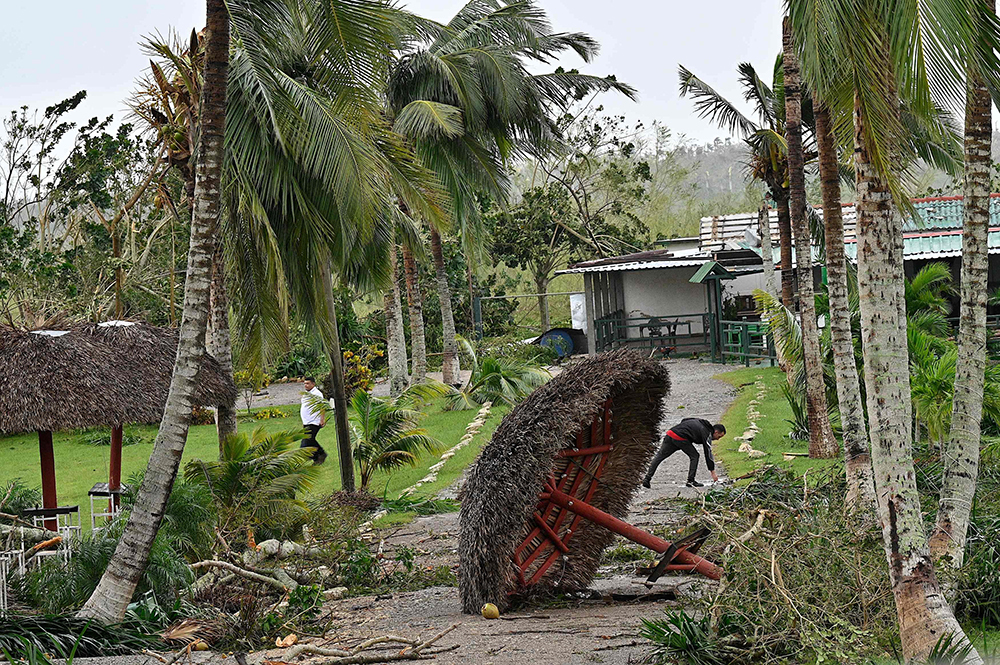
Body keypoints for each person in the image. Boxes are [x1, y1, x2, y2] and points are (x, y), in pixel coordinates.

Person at [642, 418, 725, 488]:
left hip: (671, 433)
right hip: (680, 437)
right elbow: (708, 452)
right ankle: (691, 481)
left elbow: (684, 420)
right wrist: (713, 472)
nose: (718, 439)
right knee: (695, 456)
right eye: (719, 437)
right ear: (716, 432)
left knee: (660, 456)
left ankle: (647, 479)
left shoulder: (700, 422)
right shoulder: (706, 433)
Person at [300, 376, 328, 464]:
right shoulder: (305, 394)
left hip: (314, 421)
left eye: (308, 383)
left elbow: (322, 406)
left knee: (307, 441)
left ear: (313, 384)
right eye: (304, 383)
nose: (306, 385)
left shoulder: (317, 393)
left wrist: (322, 419)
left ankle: (319, 455)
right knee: (309, 440)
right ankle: (319, 456)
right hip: (306, 421)